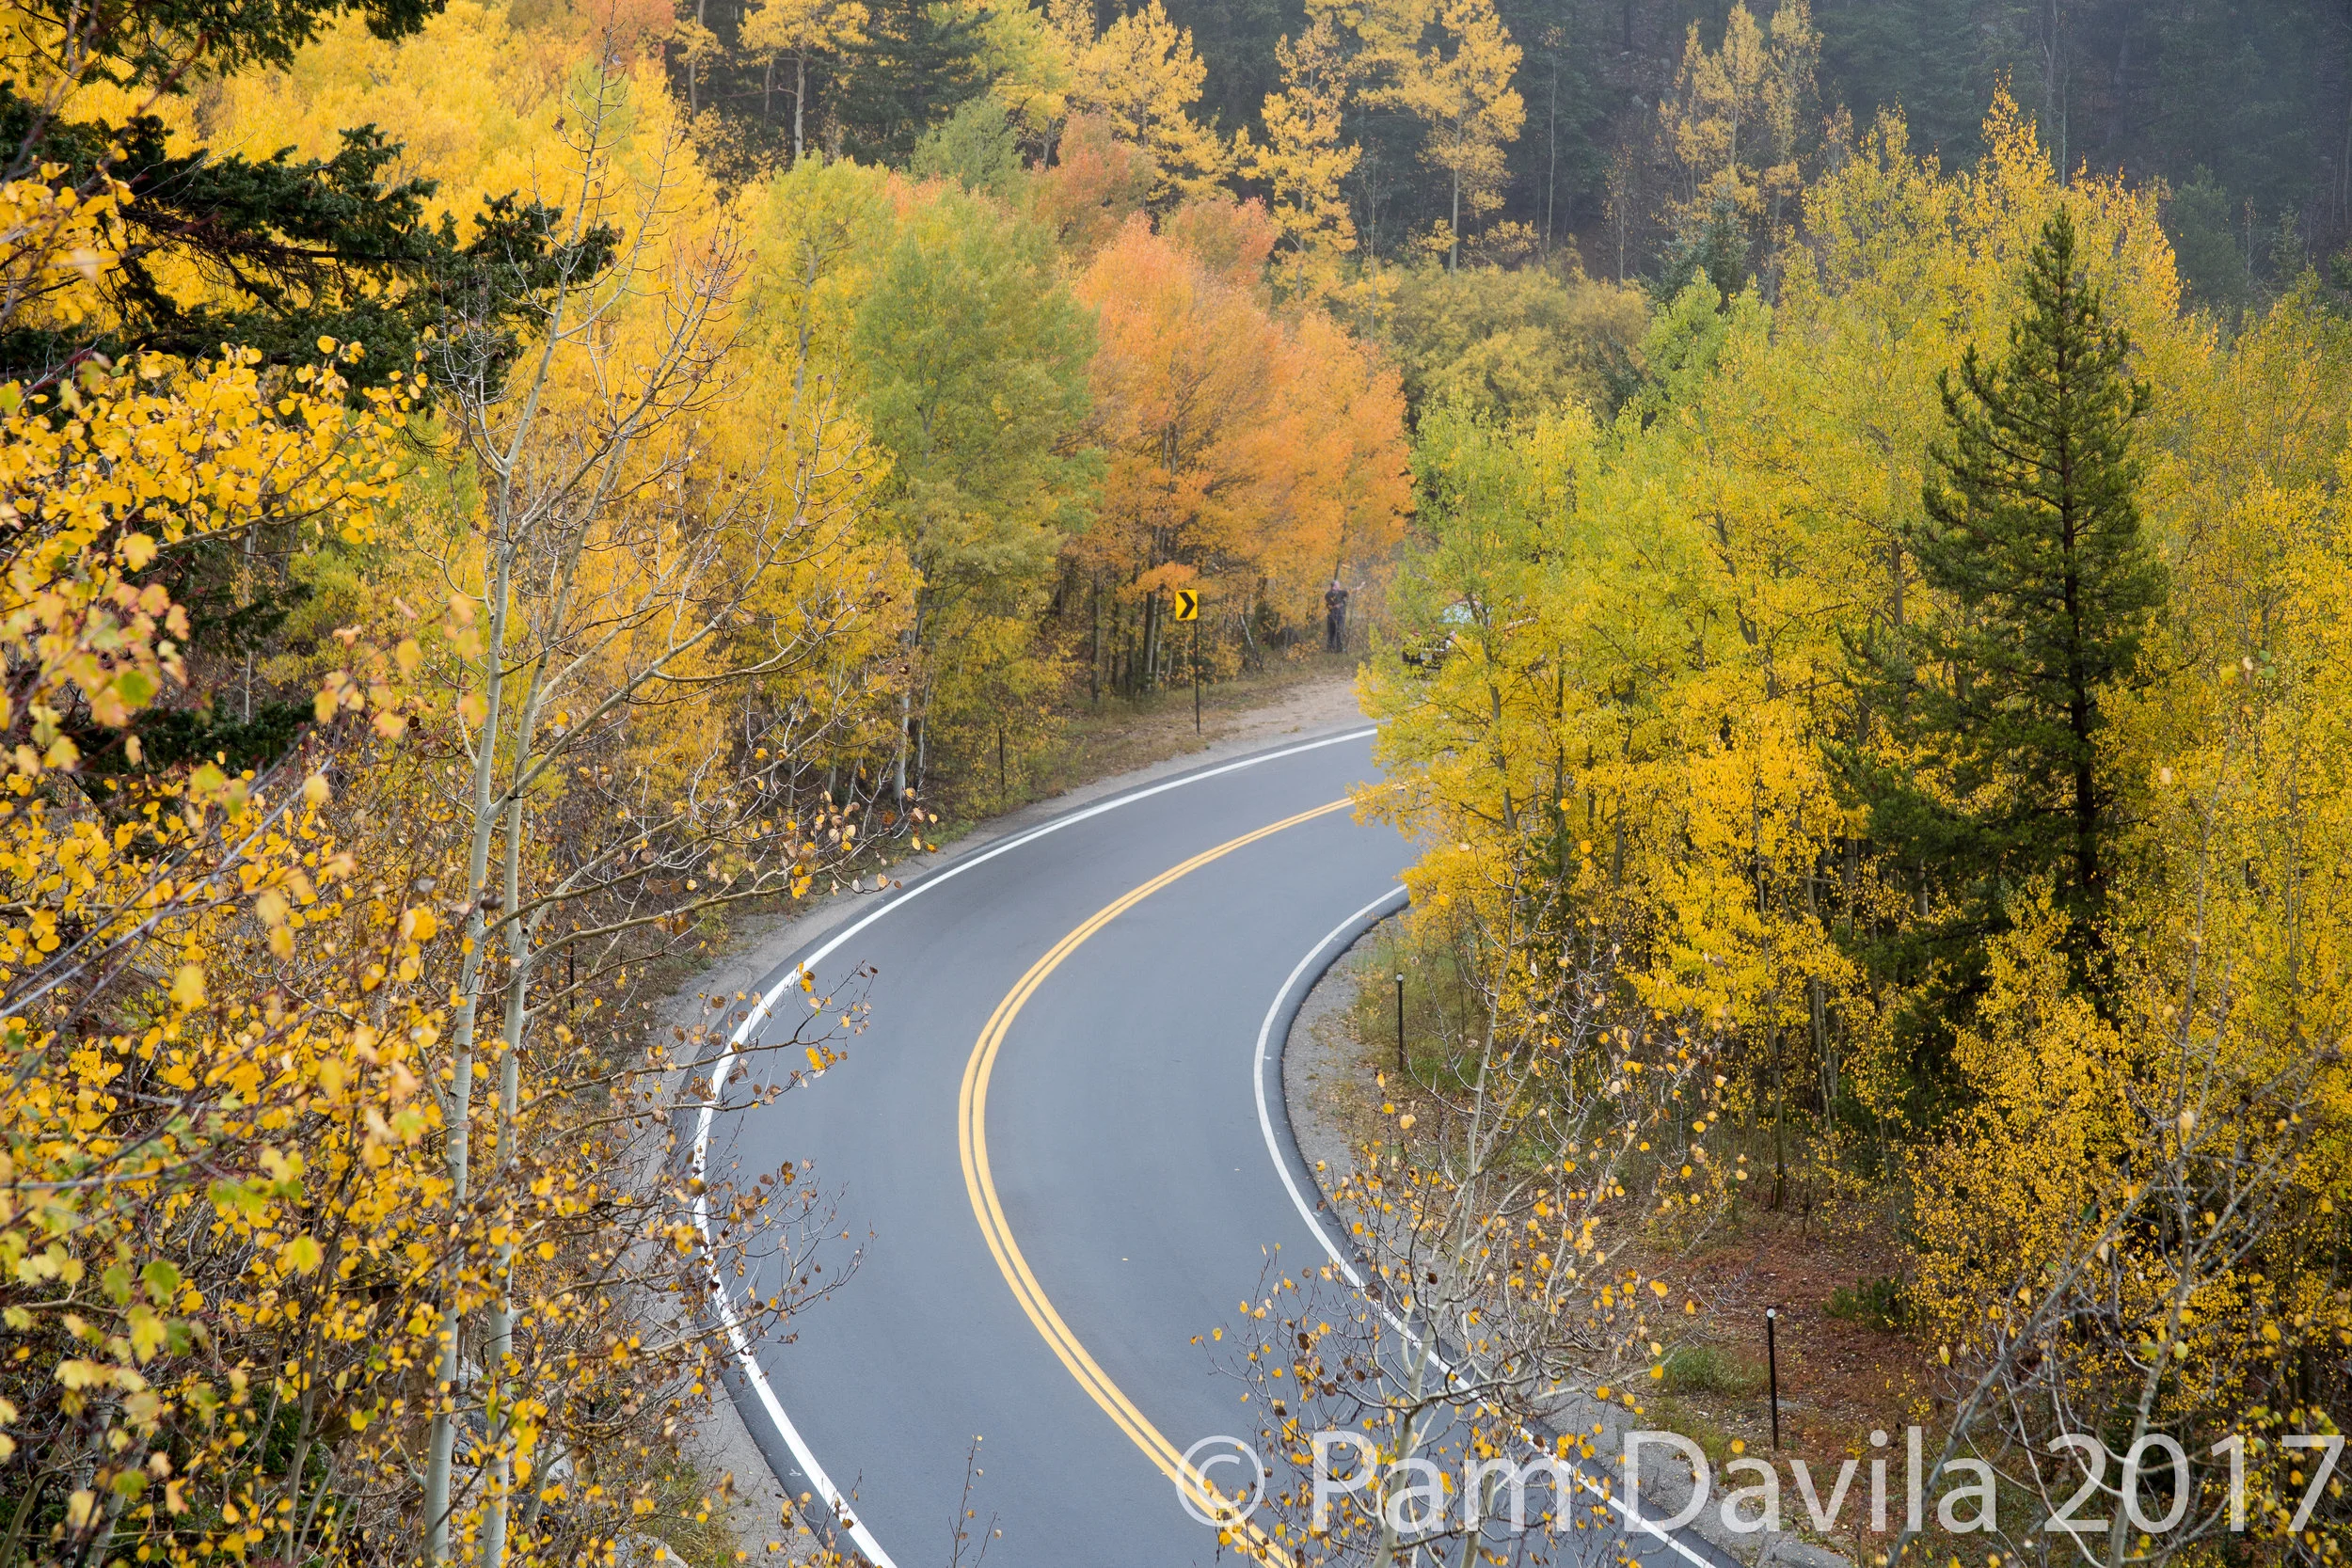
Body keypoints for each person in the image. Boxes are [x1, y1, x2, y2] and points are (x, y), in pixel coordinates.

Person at [1324, 578, 1350, 653]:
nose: (1339, 586)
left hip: (1336, 616)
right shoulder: (1330, 594)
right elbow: (1333, 604)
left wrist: (1360, 587)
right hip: (1334, 616)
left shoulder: (1339, 593)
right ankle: (1334, 648)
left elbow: (1349, 592)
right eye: (1338, 585)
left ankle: (1335, 648)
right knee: (1335, 632)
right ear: (1334, 586)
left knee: (1336, 632)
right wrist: (1339, 604)